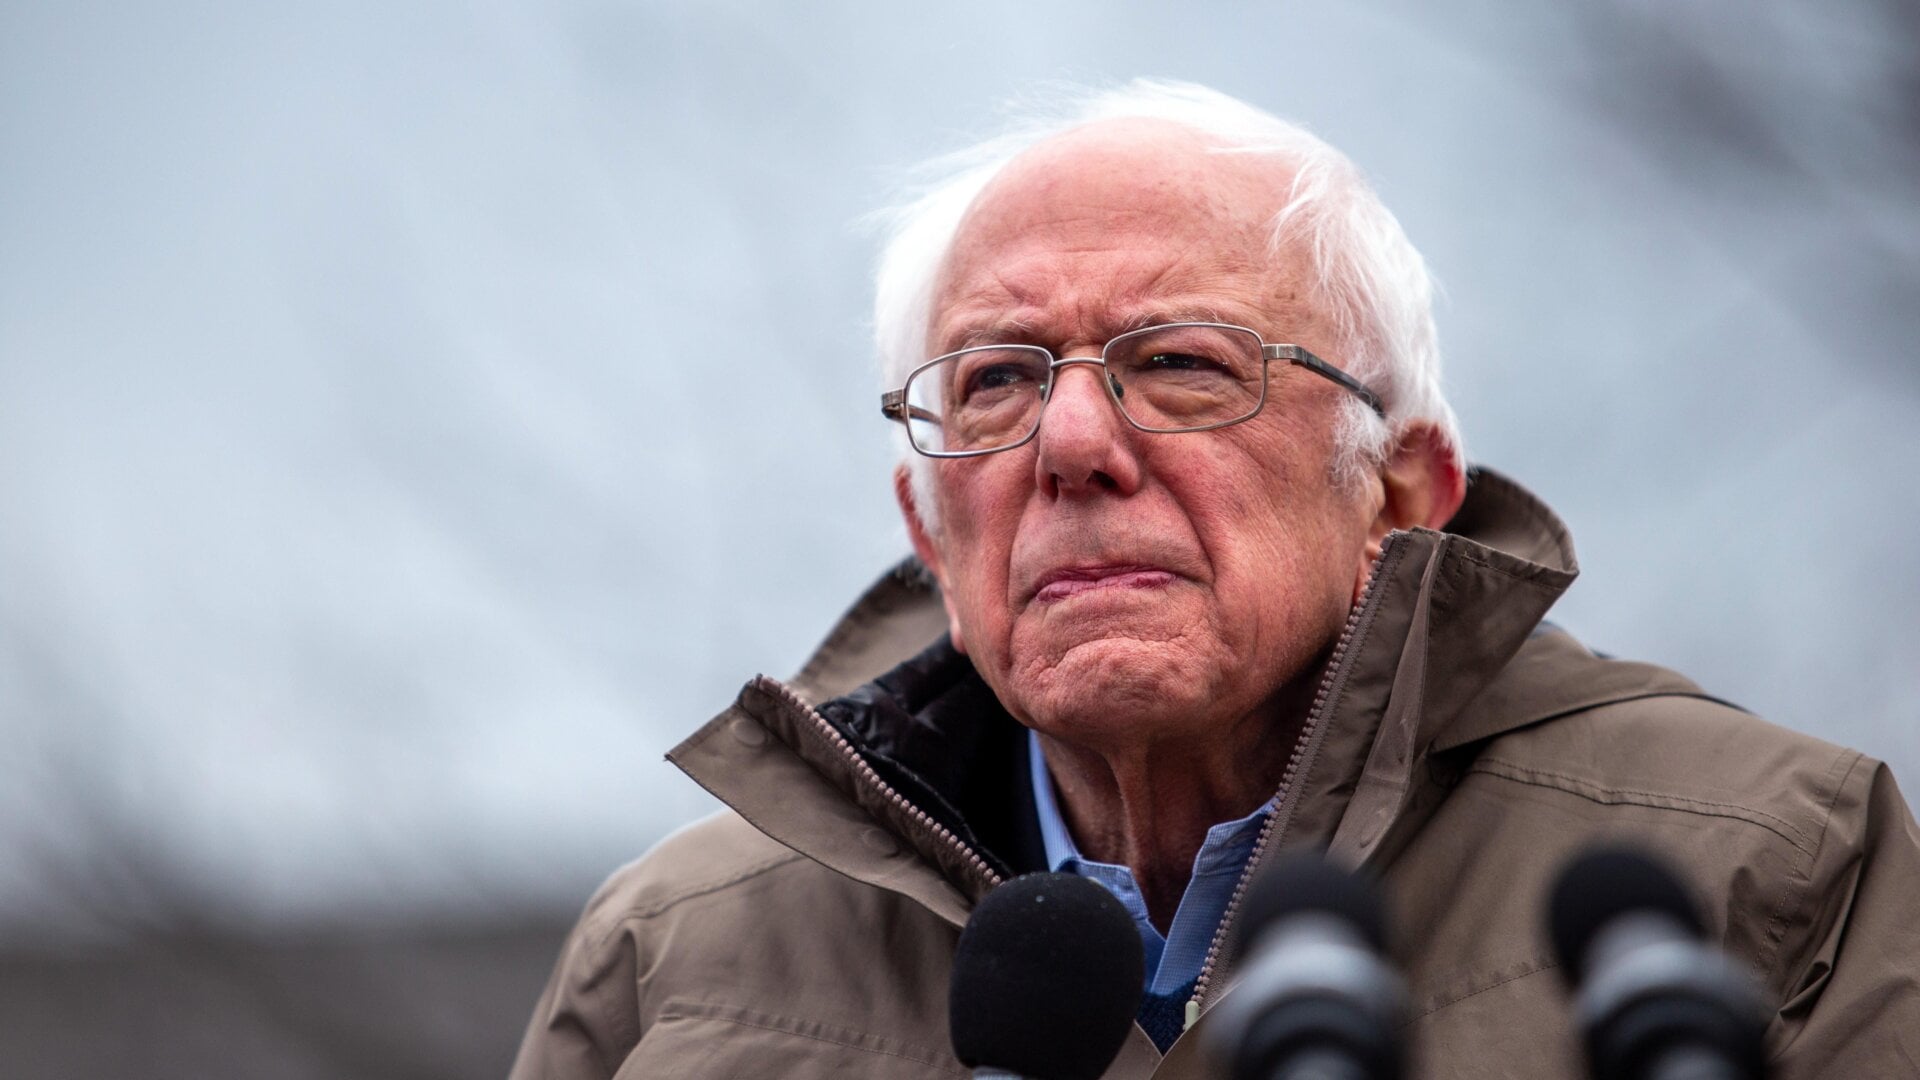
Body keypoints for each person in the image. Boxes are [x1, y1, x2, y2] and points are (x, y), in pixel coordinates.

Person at [509, 81, 1920, 1079]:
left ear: (1401, 492)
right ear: (931, 533)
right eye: (995, 382)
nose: (1070, 444)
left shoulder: (1769, 865)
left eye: (1182, 363)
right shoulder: (673, 957)